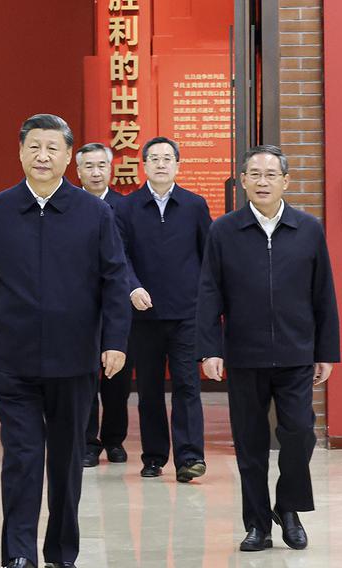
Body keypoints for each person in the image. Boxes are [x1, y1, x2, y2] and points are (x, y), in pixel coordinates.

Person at [0, 114, 131, 568]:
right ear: (20, 152)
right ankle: (18, 554)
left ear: (67, 157)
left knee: (65, 462)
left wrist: (114, 340)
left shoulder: (94, 212)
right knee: (21, 458)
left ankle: (61, 552)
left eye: (52, 148)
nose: (42, 156)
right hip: (14, 359)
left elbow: (114, 280)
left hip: (74, 359)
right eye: (34, 147)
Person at [197, 145, 340, 552]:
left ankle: (288, 506)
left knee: (299, 434)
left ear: (286, 181)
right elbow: (209, 293)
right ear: (242, 181)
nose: (262, 181)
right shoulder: (223, 230)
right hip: (244, 354)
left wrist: (326, 351)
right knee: (250, 443)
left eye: (270, 174)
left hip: (296, 354)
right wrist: (209, 349)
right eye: (254, 174)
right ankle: (258, 524)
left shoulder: (308, 229)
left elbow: (323, 294)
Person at [114, 136, 212, 482]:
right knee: (150, 389)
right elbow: (119, 256)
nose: (160, 163)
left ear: (178, 165)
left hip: (187, 313)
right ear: (144, 165)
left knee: (188, 385)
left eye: (167, 158)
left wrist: (206, 304)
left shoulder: (195, 205)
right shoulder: (126, 208)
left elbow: (208, 258)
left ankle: (190, 458)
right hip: (144, 315)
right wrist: (133, 286)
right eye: (153, 158)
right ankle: (154, 456)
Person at [75, 142, 133, 467]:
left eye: (102, 166)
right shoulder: (72, 206)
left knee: (117, 381)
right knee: (85, 378)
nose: (96, 172)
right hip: (82, 307)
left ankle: (114, 439)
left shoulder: (125, 207)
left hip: (117, 305)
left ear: (110, 170)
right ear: (78, 171)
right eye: (89, 166)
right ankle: (87, 442)